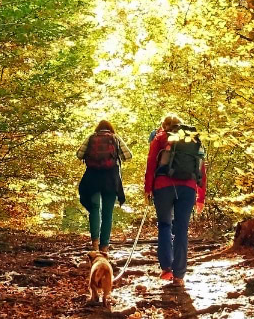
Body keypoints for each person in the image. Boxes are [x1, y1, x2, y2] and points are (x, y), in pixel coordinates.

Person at [144, 114, 207, 285]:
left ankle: (166, 269)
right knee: (181, 229)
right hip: (188, 187)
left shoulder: (160, 138)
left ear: (163, 125)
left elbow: (151, 164)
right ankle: (179, 276)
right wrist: (201, 196)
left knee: (165, 225)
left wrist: (148, 188)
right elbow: (201, 167)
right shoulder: (193, 140)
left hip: (163, 186)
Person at [77, 120, 132, 253]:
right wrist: (114, 157)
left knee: (95, 209)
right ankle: (104, 246)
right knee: (108, 213)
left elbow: (79, 154)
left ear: (98, 129)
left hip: (93, 178)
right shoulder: (115, 138)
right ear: (110, 128)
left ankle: (95, 244)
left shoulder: (91, 137)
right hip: (111, 178)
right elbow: (128, 156)